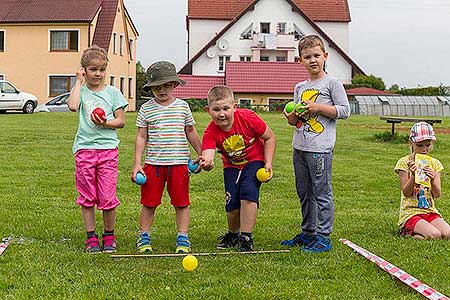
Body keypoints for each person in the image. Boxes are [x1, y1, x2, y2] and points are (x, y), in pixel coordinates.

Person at [281, 35, 350, 253]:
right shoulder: (300, 87)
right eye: (307, 57)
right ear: (300, 60)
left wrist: (318, 108)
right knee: (304, 192)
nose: (312, 60)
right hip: (300, 147)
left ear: (325, 56)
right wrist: (291, 116)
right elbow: (297, 121)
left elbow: (344, 111)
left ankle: (323, 237)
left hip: (320, 150)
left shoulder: (332, 83)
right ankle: (308, 233)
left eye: (316, 56)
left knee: (321, 192)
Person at [132, 61, 202, 254]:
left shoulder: (182, 107)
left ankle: (183, 237)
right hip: (153, 165)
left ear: (174, 85)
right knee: (149, 203)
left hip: (179, 164)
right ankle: (144, 236)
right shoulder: (146, 108)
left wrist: (201, 153)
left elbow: (191, 131)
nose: (161, 90)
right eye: (156, 87)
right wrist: (137, 163)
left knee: (181, 203)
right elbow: (141, 136)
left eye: (165, 85)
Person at [67, 45, 128, 253]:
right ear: (84, 70)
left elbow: (121, 121)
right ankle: (91, 237)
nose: (98, 74)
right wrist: (77, 81)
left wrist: (105, 123)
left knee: (108, 196)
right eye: (93, 69)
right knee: (87, 196)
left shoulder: (113, 93)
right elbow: (73, 106)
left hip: (108, 150)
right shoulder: (81, 91)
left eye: (102, 69)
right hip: (84, 150)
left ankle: (109, 236)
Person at [201, 85, 276, 251]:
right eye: (216, 109)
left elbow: (269, 137)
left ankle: (246, 237)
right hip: (231, 166)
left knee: (248, 194)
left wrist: (268, 163)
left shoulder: (248, 118)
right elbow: (208, 153)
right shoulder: (210, 131)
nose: (221, 114)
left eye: (226, 108)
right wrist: (207, 163)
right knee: (232, 203)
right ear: (208, 110)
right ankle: (233, 234)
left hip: (254, 161)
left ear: (235, 107)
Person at [394, 122, 450, 239]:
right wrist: (414, 176)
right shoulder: (404, 163)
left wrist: (433, 180)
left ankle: (420, 231)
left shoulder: (435, 164)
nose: (424, 149)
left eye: (427, 145)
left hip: (429, 211)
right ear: (411, 143)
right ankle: (406, 230)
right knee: (435, 235)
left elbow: (437, 194)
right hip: (411, 213)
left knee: (447, 234)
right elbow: (406, 192)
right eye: (419, 145)